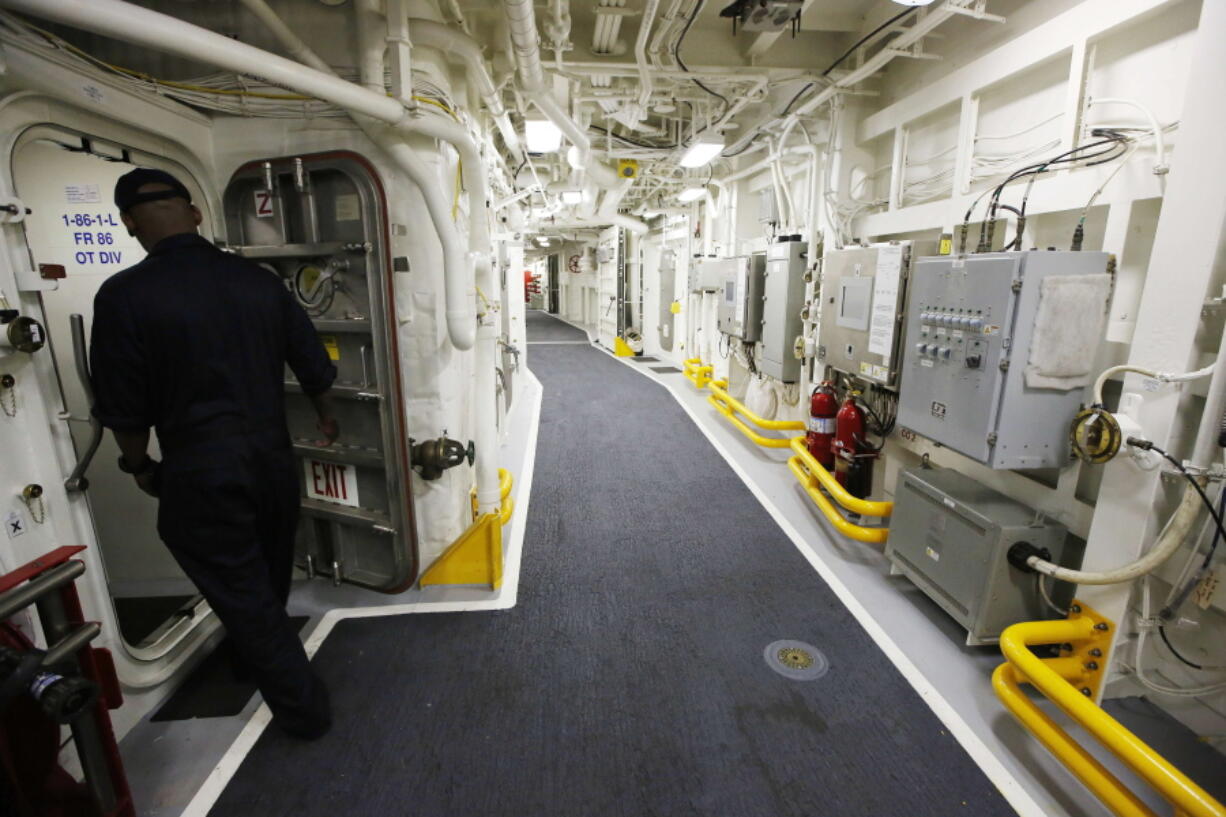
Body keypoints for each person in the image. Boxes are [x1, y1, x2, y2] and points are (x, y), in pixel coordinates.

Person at [90, 167, 337, 739]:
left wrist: (139, 465)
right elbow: (314, 363)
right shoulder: (258, 282)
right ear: (195, 214)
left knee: (240, 590)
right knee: (266, 572)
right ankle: (257, 658)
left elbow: (121, 404)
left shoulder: (125, 296)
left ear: (129, 224)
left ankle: (305, 712)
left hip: (200, 465)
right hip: (271, 461)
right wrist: (326, 413)